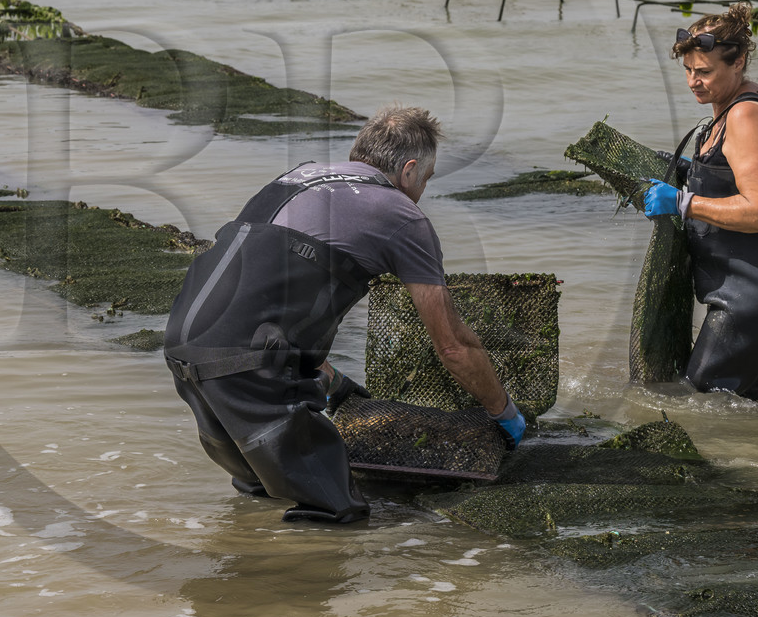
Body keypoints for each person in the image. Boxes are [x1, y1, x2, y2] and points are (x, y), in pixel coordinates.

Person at [163, 105, 528, 524]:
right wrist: (504, 414)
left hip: (183, 344)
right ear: (409, 169)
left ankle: (246, 574)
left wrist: (333, 382)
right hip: (245, 366)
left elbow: (266, 291)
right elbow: (452, 345)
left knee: (262, 490)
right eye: (426, 179)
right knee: (338, 513)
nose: (422, 190)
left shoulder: (297, 176)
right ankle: (293, 582)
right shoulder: (401, 215)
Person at [642, 2, 758, 400]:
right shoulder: (736, 101)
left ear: (737, 62)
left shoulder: (746, 116)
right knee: (749, 398)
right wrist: (696, 171)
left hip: (755, 293)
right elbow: (739, 171)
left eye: (704, 72)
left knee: (702, 398)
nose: (693, 82)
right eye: (687, 70)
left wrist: (684, 203)